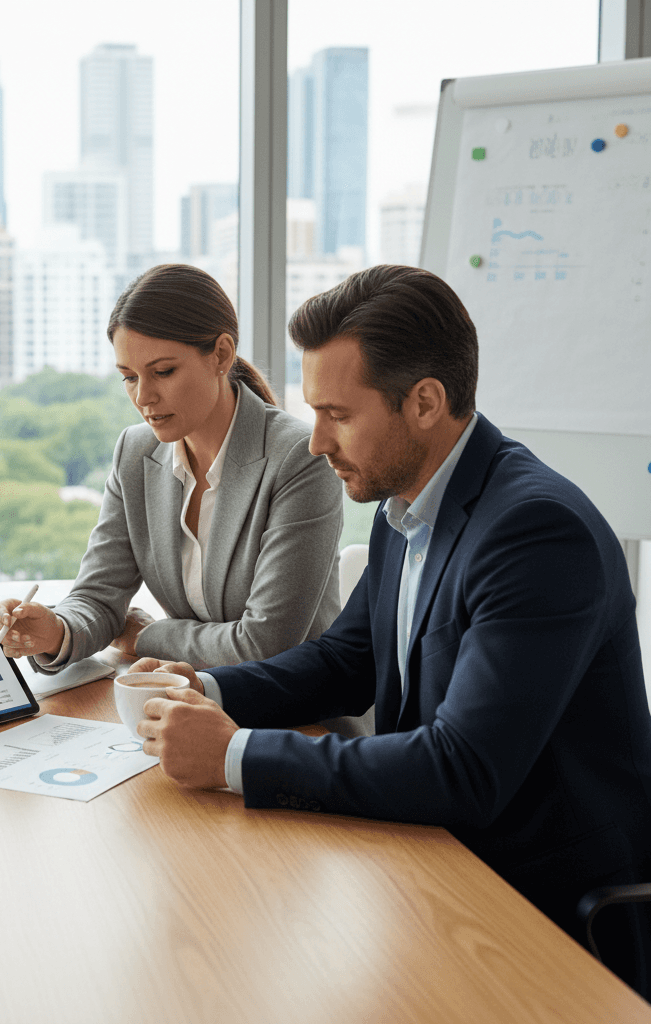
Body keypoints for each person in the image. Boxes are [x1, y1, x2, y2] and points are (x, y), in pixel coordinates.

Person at [129, 264, 651, 994]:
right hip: (436, 864)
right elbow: (347, 659)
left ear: (426, 402)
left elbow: (461, 770)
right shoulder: (405, 504)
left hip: (543, 916)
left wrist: (233, 755)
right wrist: (209, 688)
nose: (315, 442)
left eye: (337, 414)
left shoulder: (536, 531)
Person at [0, 263, 344, 675]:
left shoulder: (299, 459)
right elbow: (99, 595)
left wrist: (145, 636)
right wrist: (56, 629)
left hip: (292, 718)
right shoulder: (135, 452)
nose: (144, 397)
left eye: (163, 372)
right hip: (182, 699)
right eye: (128, 377)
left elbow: (264, 644)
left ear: (221, 355)